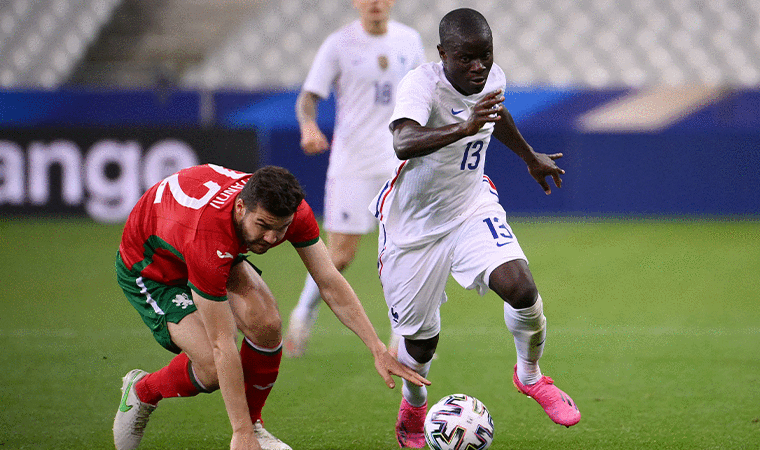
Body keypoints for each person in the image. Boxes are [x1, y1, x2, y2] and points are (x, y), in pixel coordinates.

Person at [369, 8, 582, 448]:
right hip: (413, 228)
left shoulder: (492, 77)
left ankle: (530, 377)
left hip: (470, 207)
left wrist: (529, 156)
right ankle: (413, 407)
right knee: (421, 343)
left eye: (485, 55)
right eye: (466, 58)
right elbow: (403, 141)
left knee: (521, 287)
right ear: (443, 54)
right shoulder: (421, 85)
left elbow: (495, 114)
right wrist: (463, 125)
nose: (478, 66)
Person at [112, 164, 430, 450]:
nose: (271, 238)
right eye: (263, 225)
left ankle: (255, 425)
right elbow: (223, 343)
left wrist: (377, 348)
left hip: (201, 241)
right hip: (152, 268)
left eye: (281, 228)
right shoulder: (208, 239)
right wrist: (239, 434)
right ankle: (143, 390)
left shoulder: (289, 212)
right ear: (241, 207)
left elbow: (329, 281)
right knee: (211, 367)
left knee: (266, 322)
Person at [284, 0, 425, 358]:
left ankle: (402, 334)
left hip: (399, 159)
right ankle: (303, 313)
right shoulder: (339, 43)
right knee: (340, 255)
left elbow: (425, 93)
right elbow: (308, 97)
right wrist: (308, 124)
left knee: (403, 249)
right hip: (352, 162)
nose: (375, 3)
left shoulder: (409, 40)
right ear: (356, 2)